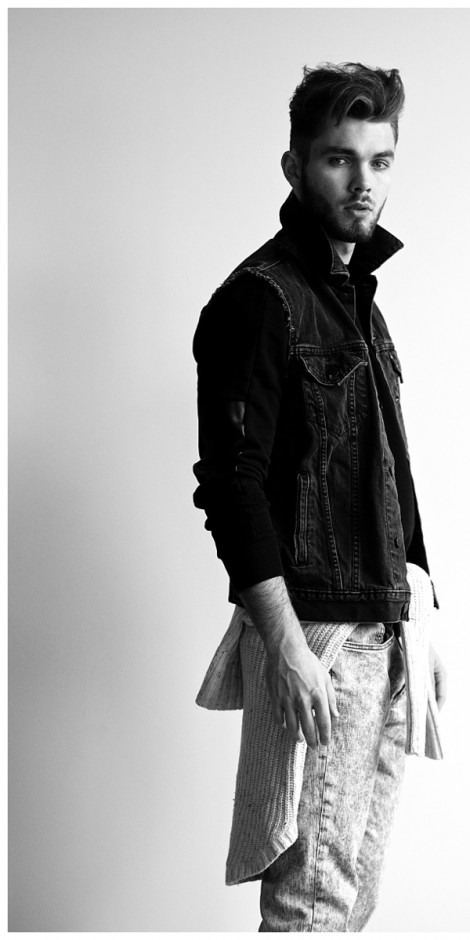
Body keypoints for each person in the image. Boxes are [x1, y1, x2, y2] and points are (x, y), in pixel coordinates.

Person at [192, 62, 446, 932]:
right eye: (340, 159)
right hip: (323, 639)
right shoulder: (261, 302)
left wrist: (420, 604)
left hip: (387, 629)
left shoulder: (358, 303)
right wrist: (288, 647)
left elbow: (385, 471)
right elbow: (231, 485)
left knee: (351, 897)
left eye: (380, 160)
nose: (363, 181)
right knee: (311, 904)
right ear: (295, 165)